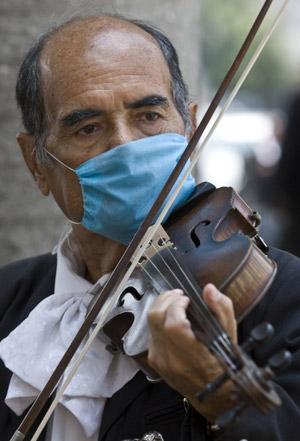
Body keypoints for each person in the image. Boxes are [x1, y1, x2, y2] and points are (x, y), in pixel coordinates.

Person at [0, 13, 299, 441]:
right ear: (37, 164)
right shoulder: (8, 299)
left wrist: (222, 396)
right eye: (88, 127)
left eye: (149, 116)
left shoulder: (284, 296)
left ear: (190, 128)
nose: (125, 144)